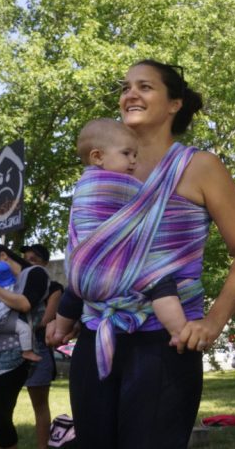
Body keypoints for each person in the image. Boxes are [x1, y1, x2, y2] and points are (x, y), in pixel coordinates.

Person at [46, 59, 235, 448]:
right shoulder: (100, 169)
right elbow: (87, 252)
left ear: (174, 103)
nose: (130, 94)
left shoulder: (200, 167)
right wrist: (73, 309)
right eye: (125, 87)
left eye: (144, 87)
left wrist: (213, 322)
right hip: (98, 336)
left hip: (165, 342)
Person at [66, 117, 187, 345]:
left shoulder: (82, 185)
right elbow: (149, 207)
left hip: (82, 273)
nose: (133, 161)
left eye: (135, 155)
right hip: (115, 266)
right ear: (98, 156)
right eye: (126, 154)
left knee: (71, 289)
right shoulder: (119, 185)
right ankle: (179, 331)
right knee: (160, 282)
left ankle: (60, 327)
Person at [0, 244, 52, 449]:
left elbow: (24, 305)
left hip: (16, 357)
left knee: (0, 417)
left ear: (3, 256)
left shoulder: (34, 274)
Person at [20, 244, 63, 449]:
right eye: (25, 258)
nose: (28, 262)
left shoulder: (53, 287)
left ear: (45, 263)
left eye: (33, 259)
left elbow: (46, 320)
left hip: (37, 347)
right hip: (8, 348)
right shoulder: (16, 286)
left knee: (39, 404)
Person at [0, 259, 40, 362]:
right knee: (24, 329)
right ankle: (27, 352)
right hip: (4, 321)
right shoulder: (10, 288)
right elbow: (23, 304)